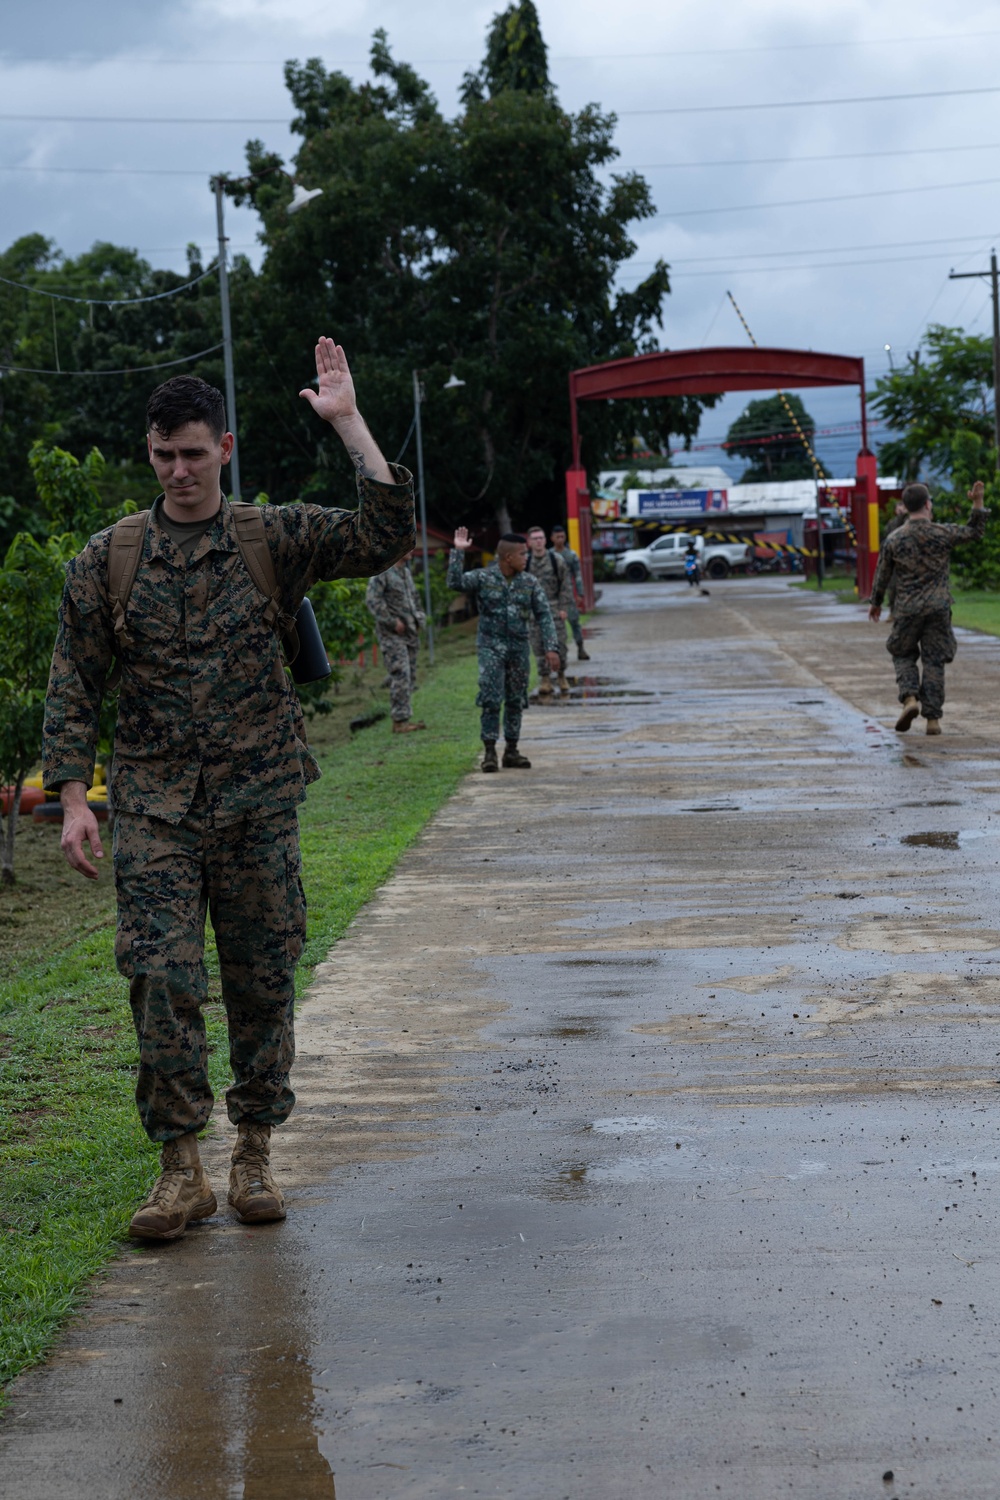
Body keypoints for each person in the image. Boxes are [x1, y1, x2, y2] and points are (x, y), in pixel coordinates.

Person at [42, 339, 415, 1241]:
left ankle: (253, 1154)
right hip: (156, 809)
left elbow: (382, 536)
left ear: (225, 448)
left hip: (257, 802)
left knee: (260, 981)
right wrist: (72, 798)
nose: (178, 470)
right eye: (164, 454)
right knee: (161, 978)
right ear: (150, 453)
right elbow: (73, 681)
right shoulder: (110, 557)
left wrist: (351, 424)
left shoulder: (269, 537)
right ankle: (180, 1172)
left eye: (194, 453)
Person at [869, 479, 986, 735]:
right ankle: (933, 720)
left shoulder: (894, 539)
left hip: (907, 608)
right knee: (934, 661)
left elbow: (882, 574)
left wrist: (876, 603)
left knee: (902, 653)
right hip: (938, 607)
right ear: (927, 504)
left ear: (907, 506)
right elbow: (974, 532)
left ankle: (910, 698)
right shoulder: (942, 533)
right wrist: (977, 503)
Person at [447, 529, 559, 772]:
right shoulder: (484, 577)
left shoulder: (529, 582)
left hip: (518, 648)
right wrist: (457, 551)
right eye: (522, 554)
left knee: (516, 700)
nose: (526, 558)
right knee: (490, 697)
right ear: (508, 557)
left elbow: (544, 615)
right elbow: (455, 583)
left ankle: (511, 750)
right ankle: (489, 752)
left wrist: (551, 647)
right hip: (491, 647)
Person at [366, 552, 426, 733]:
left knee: (410, 676)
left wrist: (419, 619)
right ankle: (399, 721)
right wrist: (392, 621)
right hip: (392, 634)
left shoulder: (405, 572)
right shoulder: (383, 571)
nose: (412, 550)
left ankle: (404, 718)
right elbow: (372, 600)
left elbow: (414, 599)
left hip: (410, 633)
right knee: (401, 673)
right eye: (408, 546)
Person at [525, 525, 573, 693]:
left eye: (541, 538)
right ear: (529, 542)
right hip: (534, 613)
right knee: (538, 648)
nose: (538, 541)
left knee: (559, 645)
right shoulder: (525, 562)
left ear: (545, 540)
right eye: (535, 539)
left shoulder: (556, 560)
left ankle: (561, 675)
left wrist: (563, 607)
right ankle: (545, 679)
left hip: (554, 610)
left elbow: (565, 585)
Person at [550, 524, 590, 662]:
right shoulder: (549, 555)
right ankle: (556, 653)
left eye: (562, 536)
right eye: (557, 537)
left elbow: (578, 575)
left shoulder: (571, 555)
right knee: (553, 625)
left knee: (574, 622)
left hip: (568, 595)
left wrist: (580, 593)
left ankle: (580, 647)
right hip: (552, 596)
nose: (560, 539)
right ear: (552, 538)